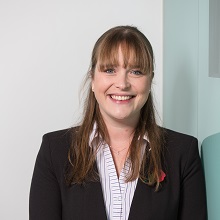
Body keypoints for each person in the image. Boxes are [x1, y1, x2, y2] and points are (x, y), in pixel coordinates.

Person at [29, 26, 207, 220]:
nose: (122, 83)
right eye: (110, 70)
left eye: (136, 71)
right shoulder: (54, 150)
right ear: (93, 79)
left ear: (150, 80)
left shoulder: (183, 152)